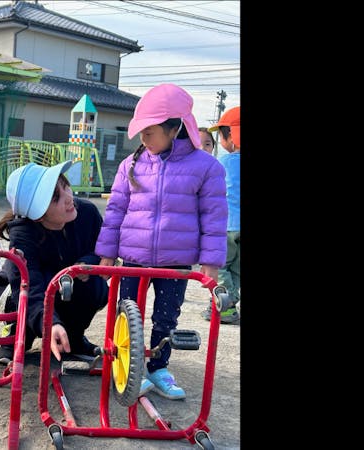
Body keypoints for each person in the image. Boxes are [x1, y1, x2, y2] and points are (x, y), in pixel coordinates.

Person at [95, 83, 227, 400]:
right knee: (126, 314)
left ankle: (157, 367)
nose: (143, 139)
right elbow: (115, 211)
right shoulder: (132, 164)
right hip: (134, 258)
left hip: (177, 261)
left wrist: (210, 264)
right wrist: (107, 254)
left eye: (149, 132)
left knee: (166, 318)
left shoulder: (206, 167)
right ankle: (125, 366)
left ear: (174, 128)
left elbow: (214, 217)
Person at [0, 161, 109, 365]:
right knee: (20, 293)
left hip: (64, 285)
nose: (69, 198)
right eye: (56, 198)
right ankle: (15, 336)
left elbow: (101, 250)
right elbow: (30, 288)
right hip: (27, 290)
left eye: (65, 186)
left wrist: (86, 263)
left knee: (96, 286)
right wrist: (50, 324)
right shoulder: (23, 233)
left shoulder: (87, 213)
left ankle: (72, 336)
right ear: (38, 216)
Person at [202, 106, 241, 323]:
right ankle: (231, 304)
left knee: (221, 266)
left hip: (226, 226)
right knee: (237, 269)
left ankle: (224, 308)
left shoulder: (222, 163)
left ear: (232, 139)